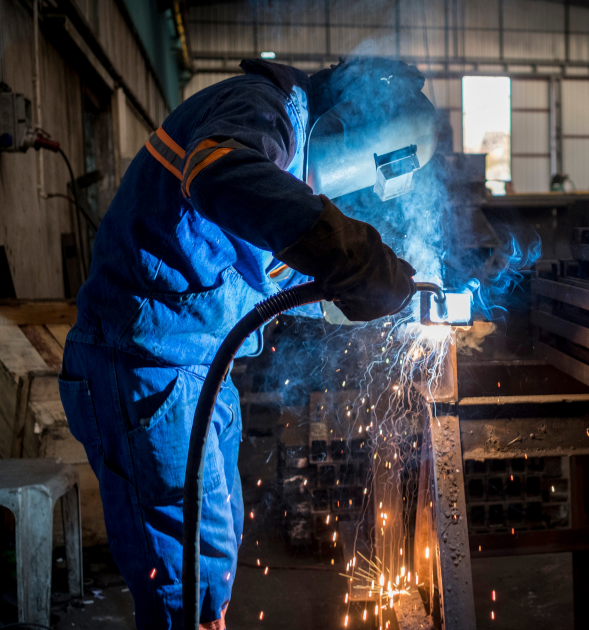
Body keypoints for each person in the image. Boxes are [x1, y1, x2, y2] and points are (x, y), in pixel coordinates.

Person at [58, 58, 424, 629]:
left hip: (199, 370)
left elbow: (285, 270)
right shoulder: (266, 109)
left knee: (215, 560)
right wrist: (342, 251)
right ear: (353, 125)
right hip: (147, 367)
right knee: (187, 585)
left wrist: (383, 289)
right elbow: (218, 172)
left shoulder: (289, 165)